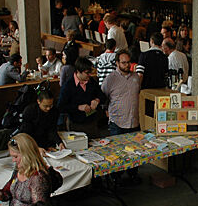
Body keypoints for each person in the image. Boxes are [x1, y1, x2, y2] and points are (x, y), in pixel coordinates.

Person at [101, 49, 142, 183]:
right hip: (117, 121)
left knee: (134, 150)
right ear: (117, 63)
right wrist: (106, 111)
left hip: (133, 121)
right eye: (123, 63)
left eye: (128, 62)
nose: (127, 65)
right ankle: (115, 178)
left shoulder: (136, 77)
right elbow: (103, 97)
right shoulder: (110, 79)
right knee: (117, 152)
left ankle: (132, 174)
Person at [58, 57, 105, 137]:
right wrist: (78, 107)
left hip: (92, 121)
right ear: (78, 71)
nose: (89, 75)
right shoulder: (68, 86)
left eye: (90, 72)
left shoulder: (91, 81)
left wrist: (97, 100)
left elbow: (102, 96)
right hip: (76, 124)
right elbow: (61, 107)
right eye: (87, 73)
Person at [19, 87, 62, 153]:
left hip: (45, 141)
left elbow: (52, 130)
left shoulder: (54, 111)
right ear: (38, 101)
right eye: (45, 106)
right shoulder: (30, 111)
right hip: (30, 142)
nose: (48, 109)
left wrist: (59, 142)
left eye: (50, 105)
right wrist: (36, 148)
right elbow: (26, 134)